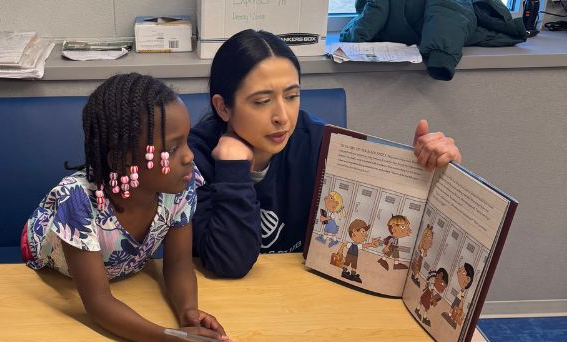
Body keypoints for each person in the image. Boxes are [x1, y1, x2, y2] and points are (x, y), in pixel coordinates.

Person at [189, 29, 461, 278]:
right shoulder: (192, 159)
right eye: (262, 101)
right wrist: (233, 170)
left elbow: (382, 225)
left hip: (306, 291)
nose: (282, 117)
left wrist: (427, 174)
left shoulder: (319, 141)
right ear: (223, 107)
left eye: (292, 96)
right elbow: (229, 263)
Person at [22, 73, 235, 342]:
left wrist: (188, 313)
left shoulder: (180, 185)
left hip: (120, 265)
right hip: (52, 262)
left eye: (186, 141)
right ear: (123, 160)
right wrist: (171, 341)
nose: (189, 156)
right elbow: (98, 303)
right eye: (173, 148)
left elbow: (178, 264)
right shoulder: (77, 202)